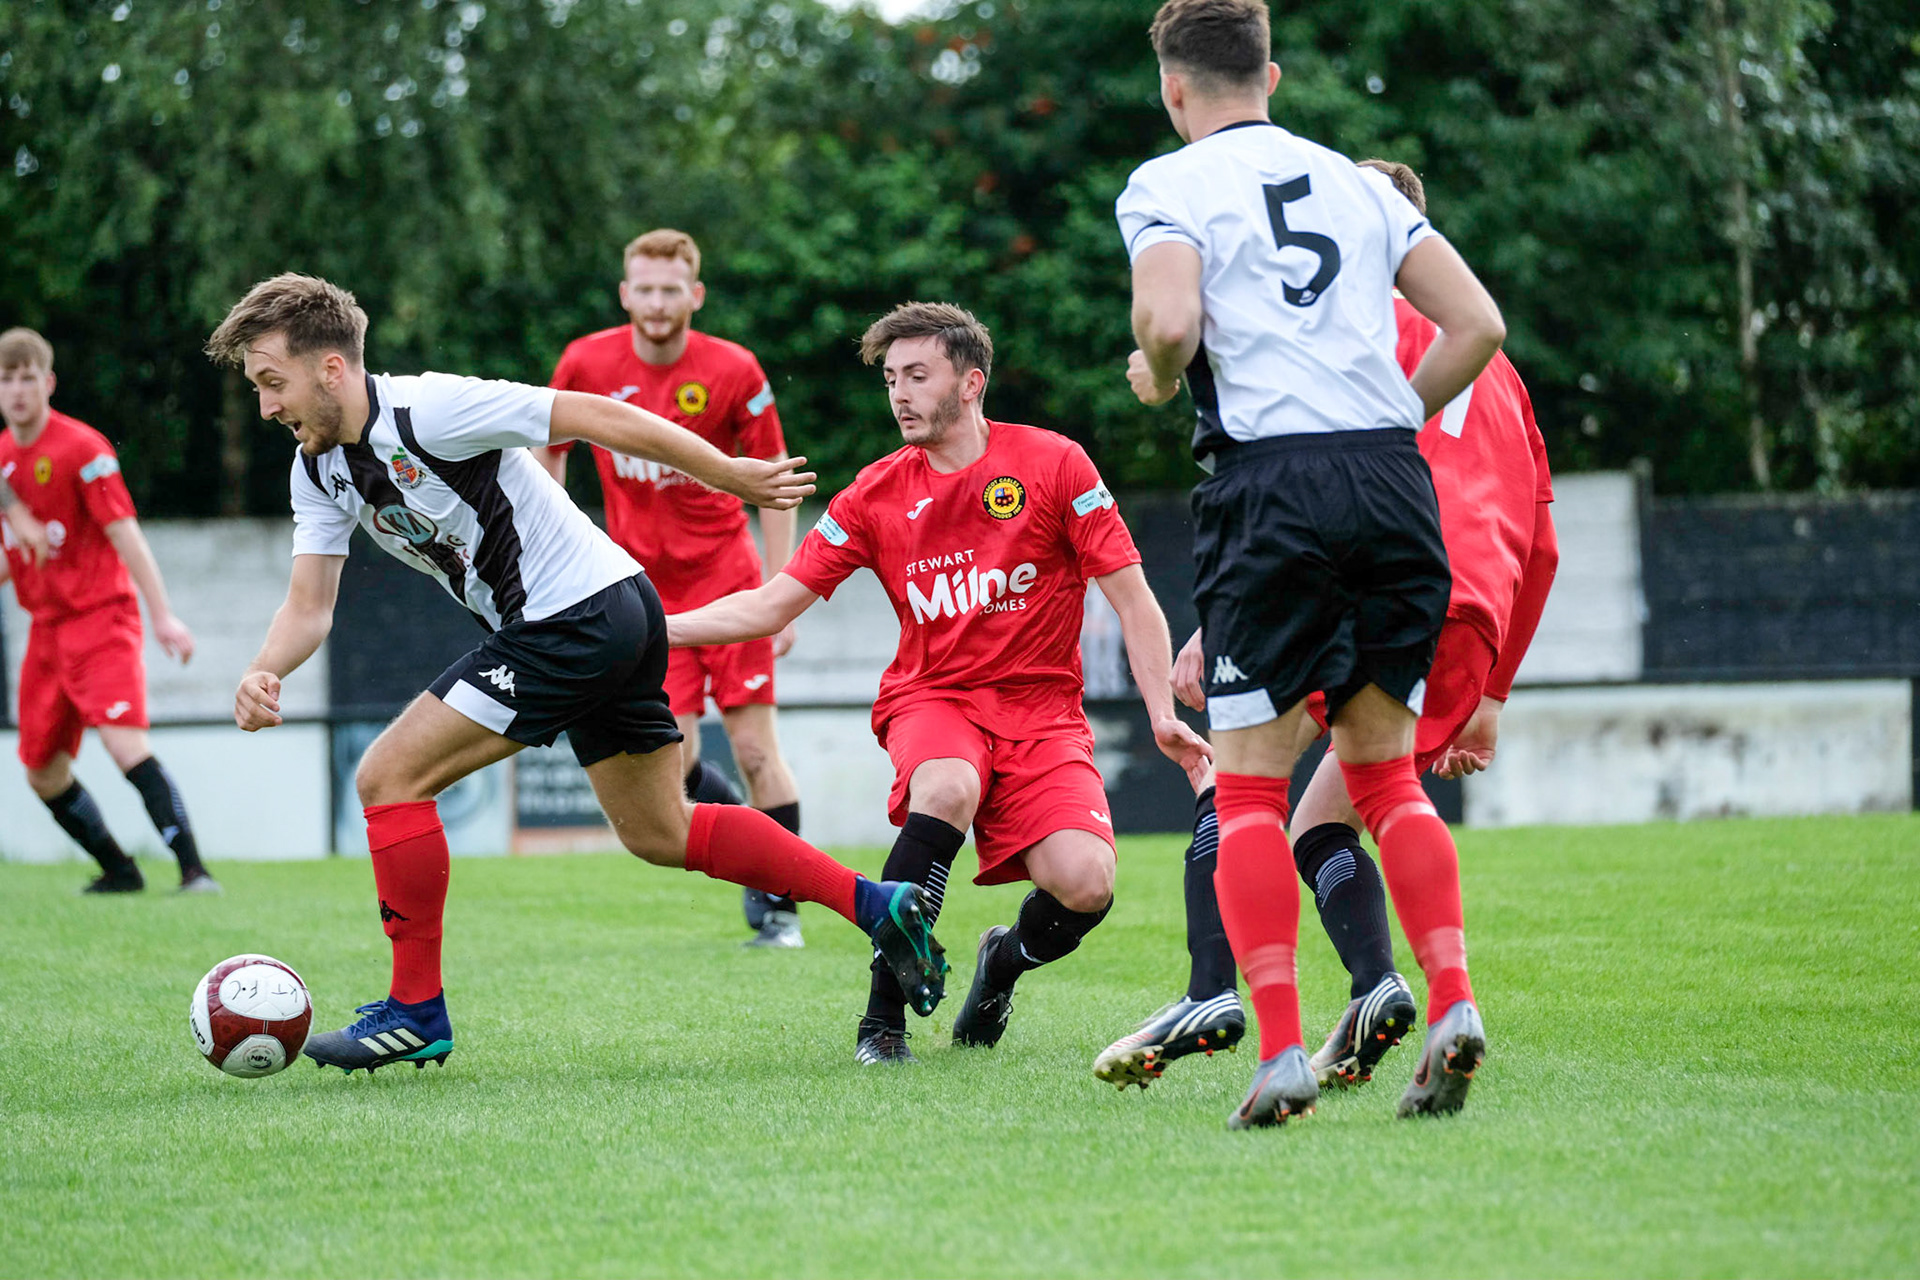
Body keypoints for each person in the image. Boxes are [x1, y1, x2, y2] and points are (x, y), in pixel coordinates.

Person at [205, 273, 947, 1074]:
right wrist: (264, 668)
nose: (266, 407)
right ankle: (880, 905)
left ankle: (416, 1011)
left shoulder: (432, 409)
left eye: (272, 383)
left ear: (330, 368)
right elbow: (309, 607)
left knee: (388, 778)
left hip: (577, 615)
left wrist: (729, 476)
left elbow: (596, 415)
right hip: (615, 612)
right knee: (663, 831)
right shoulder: (317, 469)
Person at [1117, 0, 1508, 1126]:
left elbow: (1175, 328)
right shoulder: (1362, 183)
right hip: (1392, 481)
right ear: (1272, 75)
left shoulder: (1167, 183)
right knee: (1384, 774)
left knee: (1247, 786)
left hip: (1270, 488)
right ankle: (1453, 1004)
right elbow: (1477, 323)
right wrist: (1390, 411)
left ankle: (1283, 1052)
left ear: (1174, 88)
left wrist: (1152, 367)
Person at [667, 302, 1211, 1065]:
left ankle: (1001, 964)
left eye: (917, 375)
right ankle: (881, 1022)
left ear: (971, 382)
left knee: (1086, 885)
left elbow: (1131, 595)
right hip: (934, 699)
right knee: (948, 786)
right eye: (891, 378)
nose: (899, 394)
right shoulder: (874, 494)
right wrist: (656, 627)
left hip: (1044, 714)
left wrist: (1160, 713)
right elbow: (768, 604)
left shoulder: (1055, 463)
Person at [539, 230, 809, 948]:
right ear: (626, 294)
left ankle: (782, 911)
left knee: (755, 750)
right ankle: (761, 858)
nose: (657, 303)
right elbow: (547, 460)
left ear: (695, 295)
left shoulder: (734, 368)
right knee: (677, 766)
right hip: (645, 598)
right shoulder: (586, 361)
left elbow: (776, 483)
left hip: (730, 582)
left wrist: (783, 590)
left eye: (671, 289)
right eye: (644, 289)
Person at [0, 327, 217, 894]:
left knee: (124, 743)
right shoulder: (5, 455)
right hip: (45, 631)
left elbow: (127, 537)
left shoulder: (83, 449)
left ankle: (194, 872)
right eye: (6, 379)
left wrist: (162, 615)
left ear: (47, 384)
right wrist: (15, 517)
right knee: (42, 772)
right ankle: (120, 871)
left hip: (100, 618)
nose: (17, 390)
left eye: (27, 378)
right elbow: (18, 550)